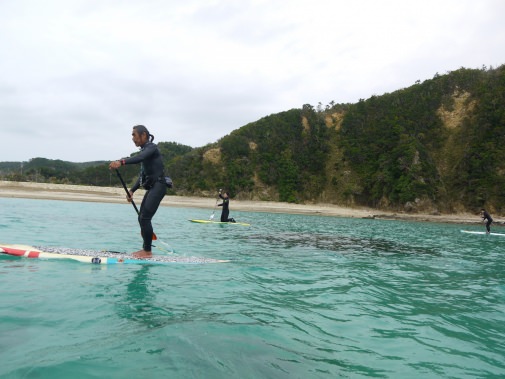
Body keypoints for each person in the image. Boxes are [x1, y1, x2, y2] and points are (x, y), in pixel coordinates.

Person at [109, 125, 166, 258]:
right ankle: (146, 248)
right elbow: (143, 176)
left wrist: (121, 162)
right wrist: (132, 190)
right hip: (153, 186)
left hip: (159, 185)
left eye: (134, 135)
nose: (133, 138)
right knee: (141, 217)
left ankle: (147, 251)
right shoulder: (145, 151)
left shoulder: (151, 147)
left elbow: (140, 157)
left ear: (144, 135)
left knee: (145, 218)